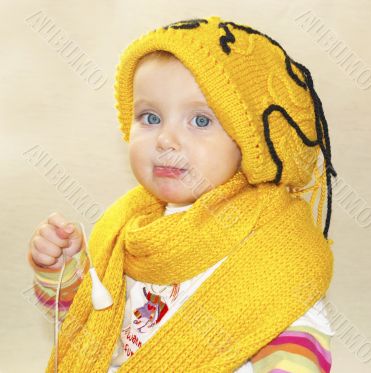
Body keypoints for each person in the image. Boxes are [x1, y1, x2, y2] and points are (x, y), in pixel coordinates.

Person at [27, 15, 337, 372]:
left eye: (201, 121)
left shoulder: (271, 242)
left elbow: (298, 344)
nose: (165, 139)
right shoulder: (127, 227)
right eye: (150, 117)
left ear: (250, 142)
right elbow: (85, 324)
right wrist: (62, 271)